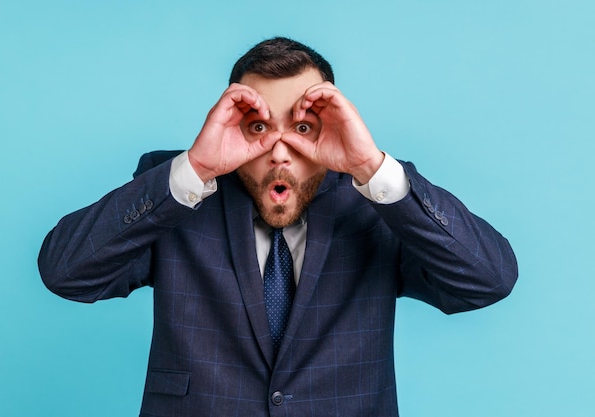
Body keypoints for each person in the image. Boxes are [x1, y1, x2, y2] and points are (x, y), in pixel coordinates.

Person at [38, 37, 518, 417]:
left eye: (304, 128)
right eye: (260, 128)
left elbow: (488, 280)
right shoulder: (178, 191)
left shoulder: (375, 200)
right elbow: (66, 272)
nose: (281, 152)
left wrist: (373, 168)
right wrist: (195, 169)